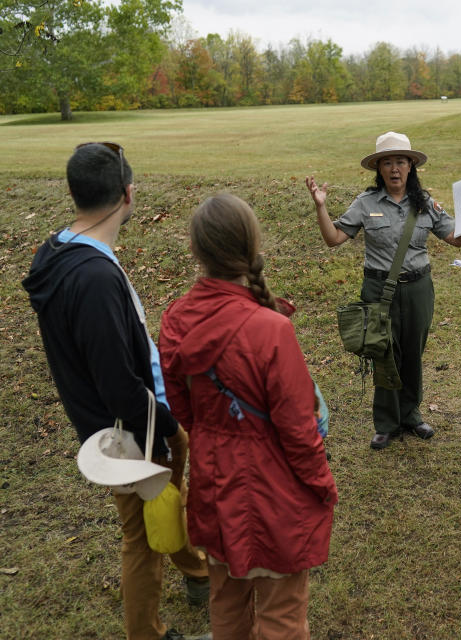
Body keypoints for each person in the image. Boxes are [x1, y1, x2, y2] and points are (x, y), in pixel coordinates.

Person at [21, 143, 210, 640]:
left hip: (122, 418)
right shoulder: (94, 277)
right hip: (130, 429)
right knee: (142, 537)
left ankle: (196, 573)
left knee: (166, 501)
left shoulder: (59, 248)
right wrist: (170, 430)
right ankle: (146, 634)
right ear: (128, 194)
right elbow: (117, 382)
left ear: (73, 192)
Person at [158, 193, 338, 640]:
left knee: (227, 603)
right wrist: (322, 485)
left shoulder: (176, 319)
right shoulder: (271, 328)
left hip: (214, 487)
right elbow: (298, 430)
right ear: (252, 244)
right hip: (275, 494)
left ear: (198, 251)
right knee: (281, 616)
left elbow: (184, 411)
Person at [305, 131, 461, 449]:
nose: (394, 169)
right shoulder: (365, 203)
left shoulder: (425, 203)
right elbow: (333, 239)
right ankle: (386, 423)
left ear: (410, 166)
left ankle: (411, 415)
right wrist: (320, 207)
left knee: (413, 355)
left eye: (401, 162)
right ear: (379, 168)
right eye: (388, 162)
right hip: (378, 290)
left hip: (419, 289)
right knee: (384, 354)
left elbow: (457, 239)